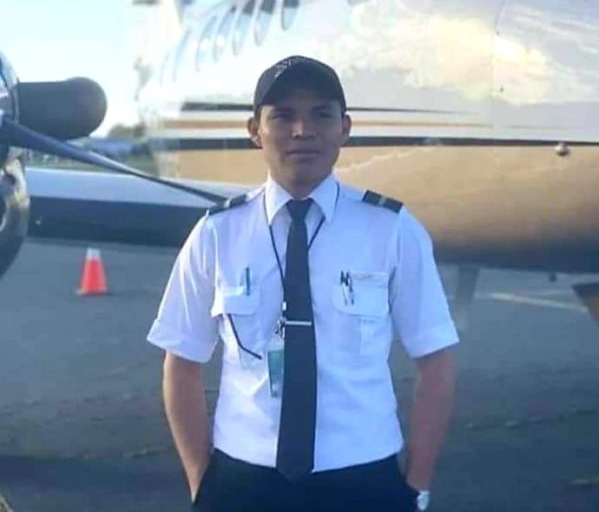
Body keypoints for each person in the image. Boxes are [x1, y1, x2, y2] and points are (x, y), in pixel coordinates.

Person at [147, 55, 458, 512]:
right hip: (243, 480)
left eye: (320, 114)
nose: (302, 130)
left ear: (345, 129)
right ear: (255, 130)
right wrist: (202, 483)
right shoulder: (217, 233)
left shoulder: (391, 229)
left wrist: (417, 485)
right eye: (283, 116)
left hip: (364, 478)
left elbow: (437, 359)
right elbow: (181, 362)